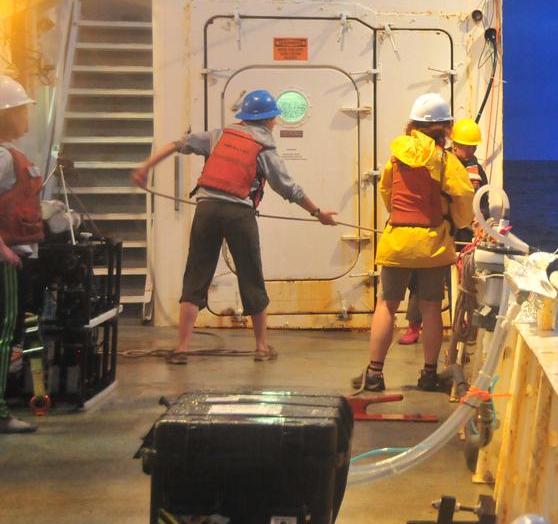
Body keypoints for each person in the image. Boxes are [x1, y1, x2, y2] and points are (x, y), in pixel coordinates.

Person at [131, 90, 337, 364]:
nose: (275, 122)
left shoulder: (219, 135)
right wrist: (318, 212)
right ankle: (262, 347)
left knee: (196, 275)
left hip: (206, 210)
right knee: (251, 275)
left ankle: (181, 348)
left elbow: (177, 143)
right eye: (274, 117)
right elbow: (288, 188)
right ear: (266, 119)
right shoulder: (265, 147)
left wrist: (145, 167)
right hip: (239, 214)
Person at [355, 93, 473, 392]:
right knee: (431, 308)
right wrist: (458, 225)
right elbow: (463, 202)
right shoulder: (446, 161)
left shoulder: (396, 158)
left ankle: (374, 374)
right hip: (433, 245)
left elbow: (387, 194)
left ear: (413, 125)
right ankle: (429, 374)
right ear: (446, 127)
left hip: (397, 242)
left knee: (386, 305)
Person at [398, 116, 487, 345]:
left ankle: (462, 322)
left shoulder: (477, 170)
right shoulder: (441, 161)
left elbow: (481, 201)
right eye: (467, 146)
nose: (470, 150)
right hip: (438, 228)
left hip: (464, 235)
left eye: (473, 146)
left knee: (463, 280)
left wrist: (481, 224)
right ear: (455, 143)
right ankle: (413, 325)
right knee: (421, 278)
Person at [0, 77, 42, 434]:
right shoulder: (1, 158)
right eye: (22, 109)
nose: (27, 114)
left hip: (11, 254)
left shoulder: (10, 155)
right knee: (5, 330)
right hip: (5, 258)